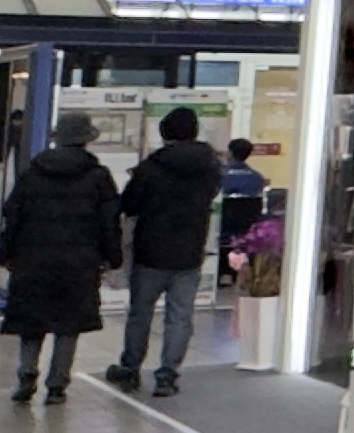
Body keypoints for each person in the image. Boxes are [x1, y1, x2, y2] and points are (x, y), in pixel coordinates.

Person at [0, 114, 121, 404]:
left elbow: (12, 215)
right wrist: (112, 256)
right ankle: (57, 384)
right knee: (69, 324)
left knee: (32, 321)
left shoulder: (33, 173)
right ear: (86, 140)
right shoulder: (98, 177)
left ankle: (27, 373)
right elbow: (109, 221)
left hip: (32, 258)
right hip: (79, 261)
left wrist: (5, 253)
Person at [109, 106, 221, 397]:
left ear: (164, 133)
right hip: (190, 251)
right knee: (180, 316)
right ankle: (167, 375)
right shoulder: (210, 167)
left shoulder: (152, 167)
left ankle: (130, 369)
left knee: (140, 314)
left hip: (151, 250)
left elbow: (129, 204)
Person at [219, 136, 268, 277]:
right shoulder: (257, 178)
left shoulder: (220, 175)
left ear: (230, 153)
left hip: (224, 227)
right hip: (247, 230)